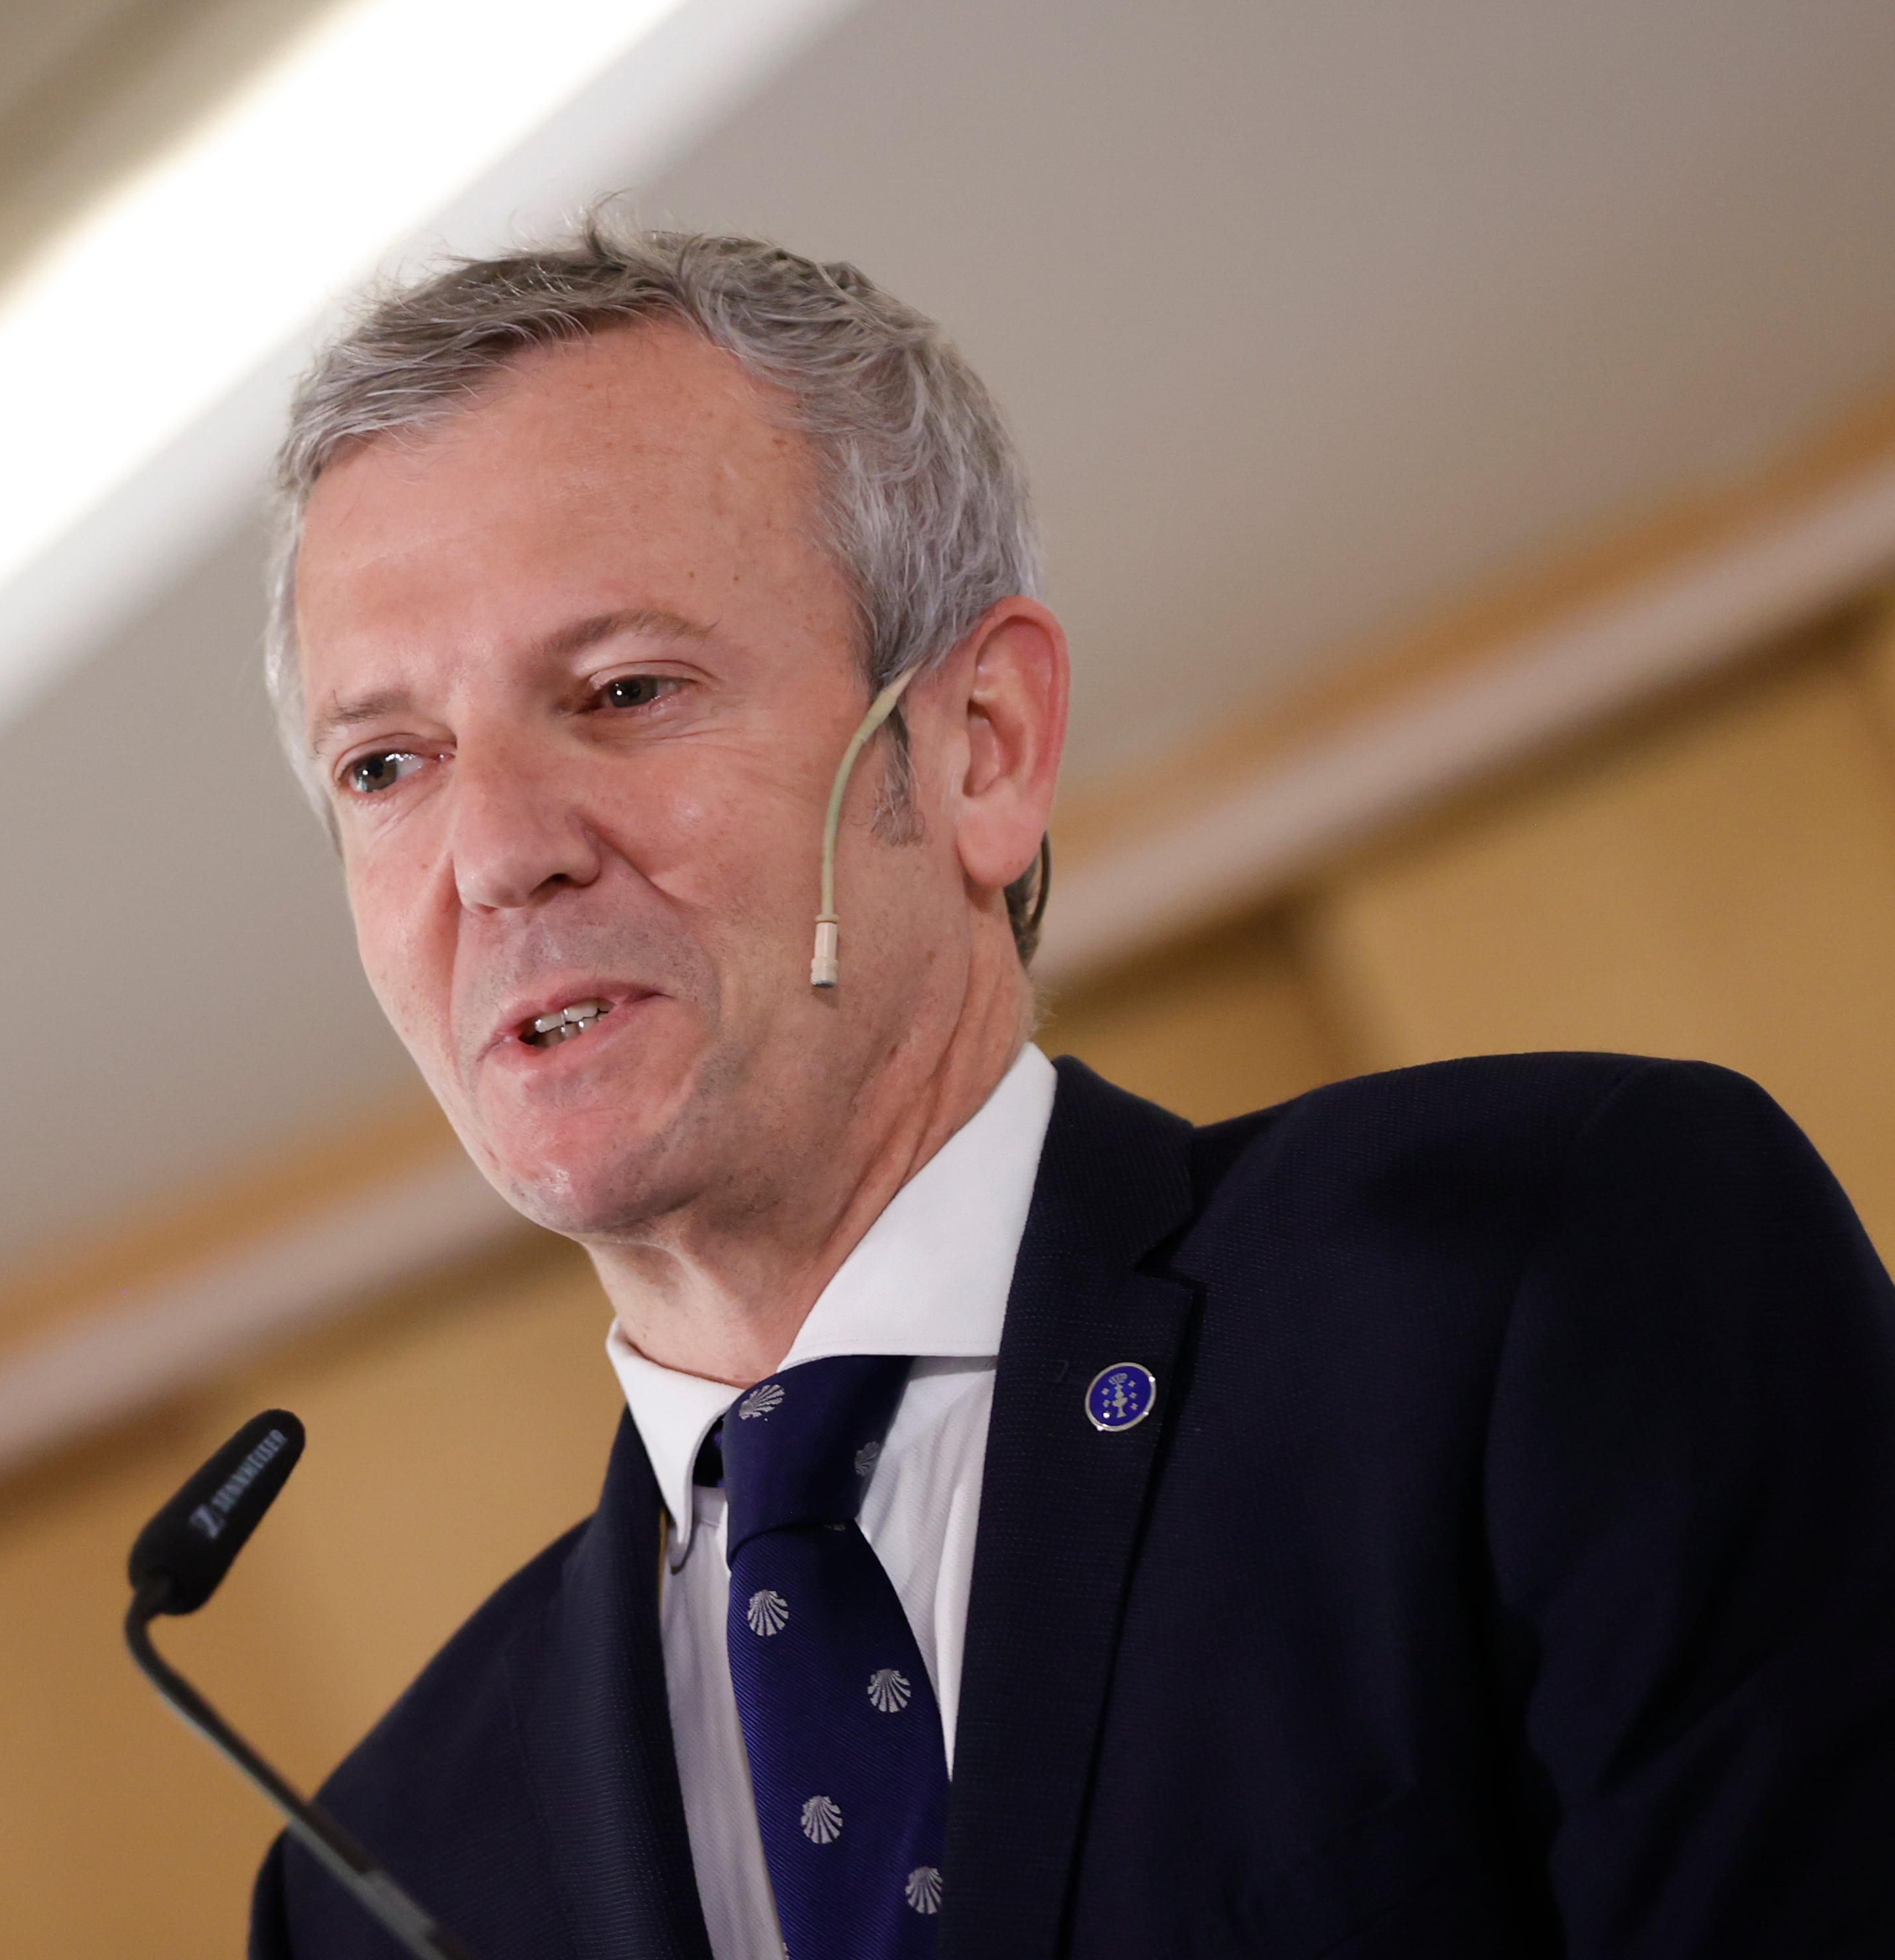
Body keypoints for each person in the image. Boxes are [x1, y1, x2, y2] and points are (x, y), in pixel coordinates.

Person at [246, 225, 1895, 1960]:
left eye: (626, 690)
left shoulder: (1539, 1279)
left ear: (980, 747)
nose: (497, 854)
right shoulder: (373, 1877)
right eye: (387, 767)